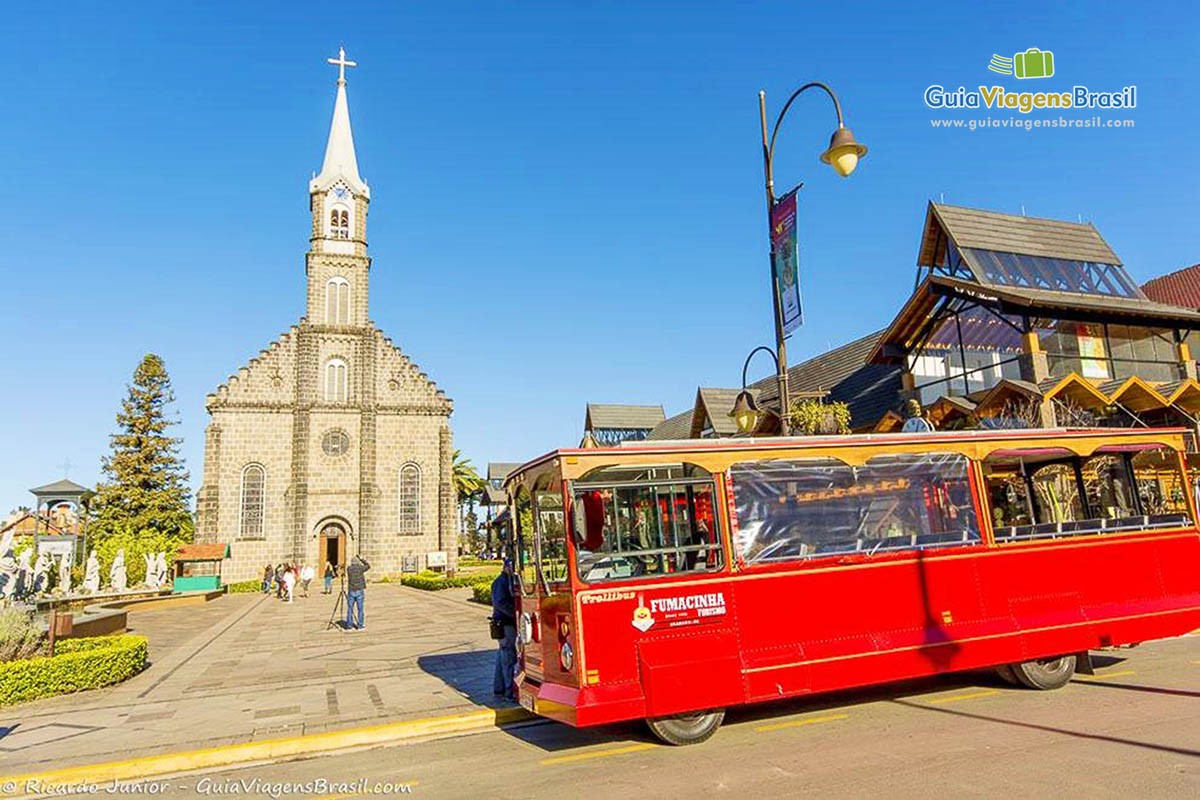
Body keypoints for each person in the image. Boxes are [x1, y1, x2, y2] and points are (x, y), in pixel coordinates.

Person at [491, 560, 517, 702]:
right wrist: (516, 613)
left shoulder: (508, 580)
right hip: (505, 625)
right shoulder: (501, 582)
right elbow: (500, 603)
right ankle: (509, 690)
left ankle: (499, 688)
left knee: (502, 656)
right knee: (508, 657)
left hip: (506, 624)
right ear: (506, 567)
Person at [344, 554, 369, 630]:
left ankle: (349, 626)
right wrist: (362, 559)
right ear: (358, 562)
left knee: (350, 609)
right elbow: (368, 566)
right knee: (360, 609)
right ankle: (360, 625)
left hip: (351, 590)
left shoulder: (349, 569)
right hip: (359, 590)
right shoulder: (360, 568)